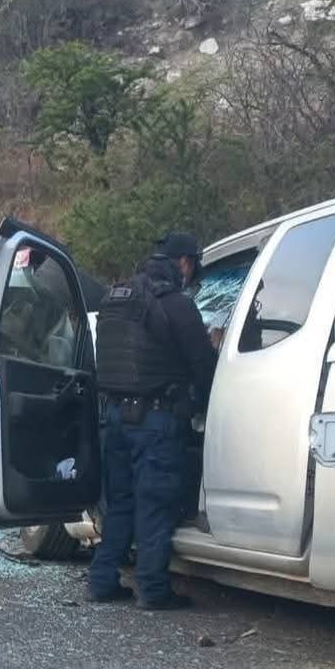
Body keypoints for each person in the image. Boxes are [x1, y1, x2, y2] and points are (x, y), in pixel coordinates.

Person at [87, 232, 218, 611]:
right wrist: (206, 404)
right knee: (155, 503)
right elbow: (203, 365)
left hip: (113, 419)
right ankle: (153, 589)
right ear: (184, 263)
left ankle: (102, 580)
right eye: (193, 265)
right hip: (156, 421)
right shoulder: (175, 304)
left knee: (121, 504)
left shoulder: (115, 299)